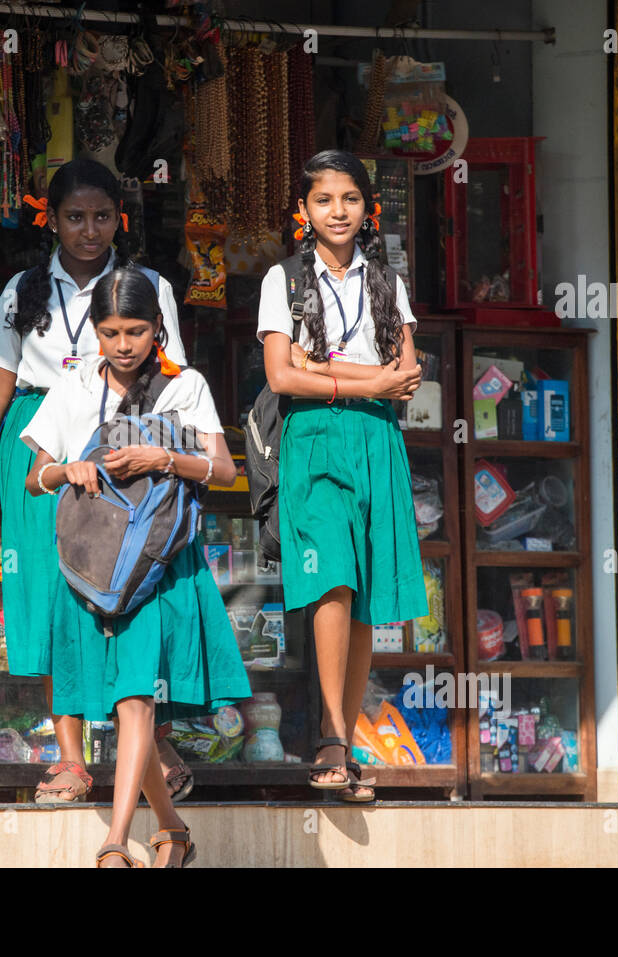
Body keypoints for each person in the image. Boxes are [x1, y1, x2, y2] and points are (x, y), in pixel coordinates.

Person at [0, 158, 196, 803]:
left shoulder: (149, 284)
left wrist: (161, 455)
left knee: (137, 586)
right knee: (55, 593)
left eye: (101, 217)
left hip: (128, 436)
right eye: (74, 217)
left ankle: (151, 742)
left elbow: (172, 379)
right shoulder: (24, 289)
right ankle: (68, 758)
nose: (88, 231)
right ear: (50, 219)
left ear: (120, 218)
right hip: (43, 441)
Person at [21, 266, 250, 865]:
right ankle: (171, 830)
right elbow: (33, 476)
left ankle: (115, 841)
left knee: (135, 700)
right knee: (127, 702)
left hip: (159, 567)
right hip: (92, 566)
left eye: (137, 331)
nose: (123, 345)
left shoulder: (186, 385)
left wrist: (166, 457)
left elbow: (225, 472)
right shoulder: (72, 386)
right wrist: (66, 470)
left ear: (158, 329)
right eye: (111, 331)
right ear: (95, 331)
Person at [258, 149, 428, 803]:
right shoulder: (283, 279)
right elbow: (281, 375)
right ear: (303, 210)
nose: (337, 211)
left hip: (377, 440)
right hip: (314, 438)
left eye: (350, 199)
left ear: (367, 207)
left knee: (366, 595)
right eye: (324, 200)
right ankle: (330, 734)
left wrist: (328, 369)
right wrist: (367, 379)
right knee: (330, 576)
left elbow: (407, 376)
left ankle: (344, 734)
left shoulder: (388, 280)